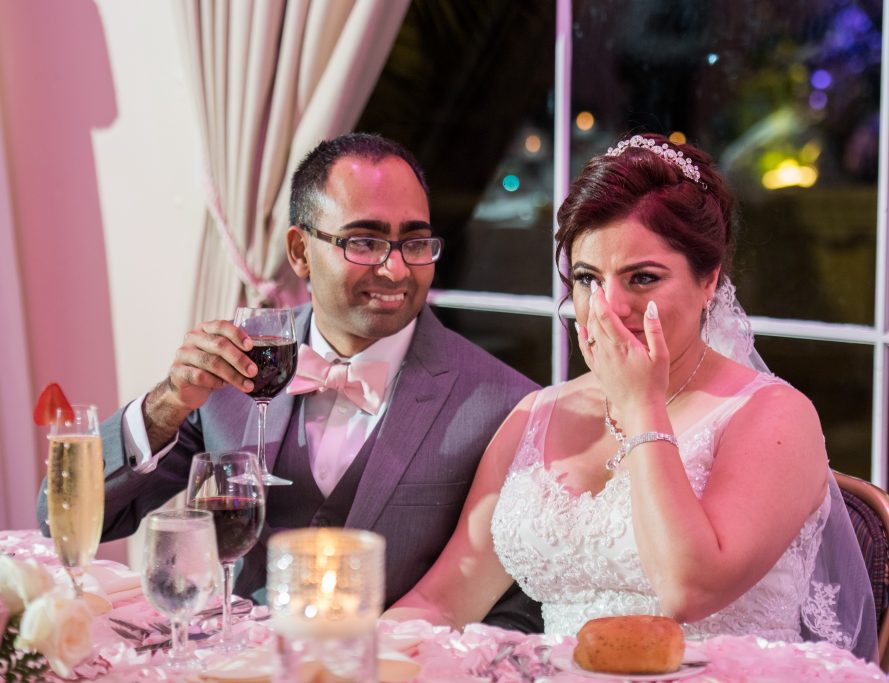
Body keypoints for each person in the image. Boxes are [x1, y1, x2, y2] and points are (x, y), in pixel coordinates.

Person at [385, 134, 878, 661]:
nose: (610, 308)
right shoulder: (536, 414)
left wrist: (643, 405)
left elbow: (688, 589)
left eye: (642, 278)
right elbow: (444, 599)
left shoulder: (774, 415)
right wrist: (343, 649)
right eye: (587, 279)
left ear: (709, 279)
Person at [35, 133, 542, 633]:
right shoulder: (236, 358)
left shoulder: (505, 404)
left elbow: (520, 602)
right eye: (364, 242)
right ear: (300, 251)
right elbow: (67, 519)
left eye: (414, 242)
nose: (395, 268)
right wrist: (167, 405)